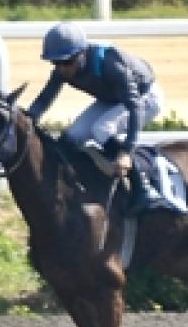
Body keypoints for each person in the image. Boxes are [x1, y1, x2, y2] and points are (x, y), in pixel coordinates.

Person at [25, 21, 164, 214]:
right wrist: (25, 121)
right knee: (71, 137)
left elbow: (133, 107)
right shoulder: (63, 69)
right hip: (112, 99)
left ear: (82, 53)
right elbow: (43, 100)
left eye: (67, 62)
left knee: (102, 129)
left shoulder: (111, 63)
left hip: (143, 98)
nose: (62, 69)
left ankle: (143, 188)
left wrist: (126, 152)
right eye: (56, 63)